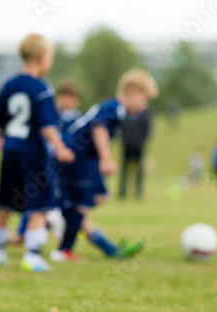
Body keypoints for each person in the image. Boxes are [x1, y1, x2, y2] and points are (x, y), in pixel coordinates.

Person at [0, 34, 75, 272]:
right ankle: (32, 256)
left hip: (10, 152)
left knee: (4, 204)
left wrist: (3, 139)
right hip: (32, 156)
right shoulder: (42, 88)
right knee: (38, 205)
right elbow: (47, 126)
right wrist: (60, 147)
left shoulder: (8, 84)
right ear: (43, 57)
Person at [54, 68, 159, 261]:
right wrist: (106, 158)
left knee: (85, 204)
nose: (144, 107)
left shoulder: (115, 108)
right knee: (81, 206)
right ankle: (64, 250)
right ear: (133, 92)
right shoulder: (116, 107)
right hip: (76, 157)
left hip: (80, 159)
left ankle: (108, 249)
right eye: (145, 100)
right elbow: (98, 126)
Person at [118, 109, 152, 200]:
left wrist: (141, 142)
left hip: (139, 147)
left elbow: (147, 130)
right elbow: (121, 129)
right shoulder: (125, 114)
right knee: (124, 170)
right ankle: (122, 192)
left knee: (139, 171)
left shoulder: (144, 115)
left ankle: (138, 192)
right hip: (126, 146)